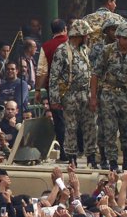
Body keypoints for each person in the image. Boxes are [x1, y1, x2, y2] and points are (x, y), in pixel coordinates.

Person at [90, 21, 127, 171]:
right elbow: (95, 74)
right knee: (109, 131)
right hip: (109, 96)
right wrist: (94, 97)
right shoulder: (107, 51)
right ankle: (113, 164)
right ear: (118, 37)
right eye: (125, 38)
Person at [49, 19, 98, 168]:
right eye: (86, 35)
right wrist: (54, 99)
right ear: (79, 35)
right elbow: (54, 76)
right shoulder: (62, 50)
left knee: (90, 126)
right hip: (70, 95)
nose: (88, 37)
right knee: (70, 127)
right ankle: (71, 157)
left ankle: (91, 157)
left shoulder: (84, 50)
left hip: (85, 93)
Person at [34, 19, 69, 162]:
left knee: (60, 121)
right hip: (73, 89)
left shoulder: (47, 46)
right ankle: (77, 151)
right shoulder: (72, 43)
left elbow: (42, 71)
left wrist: (38, 89)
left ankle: (65, 153)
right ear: (65, 29)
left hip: (55, 91)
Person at [89, 16, 120, 169]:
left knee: (118, 128)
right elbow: (94, 70)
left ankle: (118, 158)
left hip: (119, 93)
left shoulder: (123, 47)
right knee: (102, 127)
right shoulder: (98, 48)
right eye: (113, 29)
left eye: (117, 29)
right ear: (107, 31)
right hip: (102, 91)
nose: (115, 32)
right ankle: (103, 157)